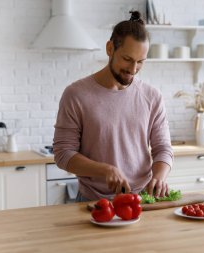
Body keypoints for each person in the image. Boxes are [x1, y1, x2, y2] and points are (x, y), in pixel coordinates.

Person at [53, 11, 173, 202]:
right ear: (110, 48)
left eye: (140, 62)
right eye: (127, 59)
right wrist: (105, 170)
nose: (133, 70)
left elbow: (163, 149)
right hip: (93, 202)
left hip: (142, 200)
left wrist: (159, 177)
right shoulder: (76, 95)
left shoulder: (152, 97)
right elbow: (63, 154)